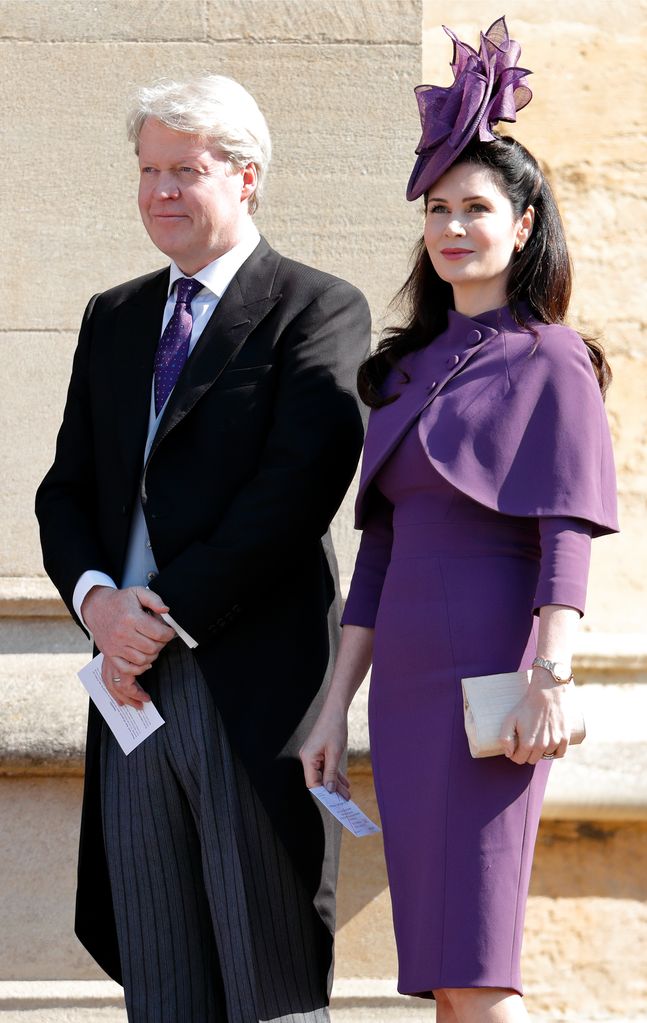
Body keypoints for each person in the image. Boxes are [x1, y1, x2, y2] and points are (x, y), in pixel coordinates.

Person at [300, 18, 618, 1023]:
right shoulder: (405, 370)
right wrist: (330, 705)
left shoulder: (549, 357)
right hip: (402, 685)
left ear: (522, 226)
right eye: (436, 207)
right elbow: (380, 551)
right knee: (440, 971)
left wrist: (546, 673)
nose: (450, 226)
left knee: (479, 966)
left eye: (474, 207)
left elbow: (565, 529)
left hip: (493, 675)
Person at [36, 73, 370, 1022]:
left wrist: (157, 615)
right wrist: (101, 602)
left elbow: (293, 493)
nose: (159, 193)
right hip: (128, 685)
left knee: (265, 977)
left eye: (184, 170)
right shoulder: (114, 316)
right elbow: (64, 492)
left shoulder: (317, 308)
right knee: (160, 975)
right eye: (147, 171)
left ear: (247, 176)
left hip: (246, 678)